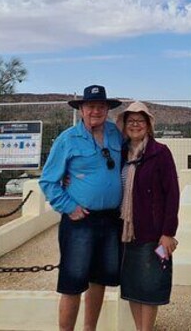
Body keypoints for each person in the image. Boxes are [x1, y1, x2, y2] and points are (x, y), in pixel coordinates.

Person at [39, 85, 124, 331]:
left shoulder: (116, 134)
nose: (95, 111)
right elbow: (48, 180)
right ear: (81, 110)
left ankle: (90, 329)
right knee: (73, 282)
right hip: (80, 221)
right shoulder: (67, 139)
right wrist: (68, 206)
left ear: (107, 109)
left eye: (100, 106)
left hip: (110, 220)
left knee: (99, 280)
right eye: (90, 106)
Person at [116, 101, 180, 331]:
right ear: (124, 125)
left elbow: (172, 193)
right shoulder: (120, 153)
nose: (135, 125)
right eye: (131, 121)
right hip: (125, 231)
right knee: (133, 286)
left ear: (148, 125)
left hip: (152, 233)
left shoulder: (160, 153)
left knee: (151, 286)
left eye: (140, 121)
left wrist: (167, 233)